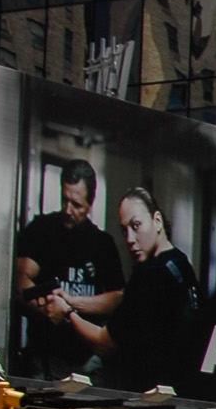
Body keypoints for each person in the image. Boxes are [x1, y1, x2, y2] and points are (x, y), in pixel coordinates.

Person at [48, 186, 200, 391]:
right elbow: (125, 298)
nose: (129, 239)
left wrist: (67, 312)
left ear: (157, 221)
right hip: (176, 390)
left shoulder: (150, 273)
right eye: (124, 229)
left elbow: (104, 343)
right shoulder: (179, 263)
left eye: (136, 225)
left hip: (147, 394)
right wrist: (73, 301)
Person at [11, 157, 127, 379]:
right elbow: (21, 283)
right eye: (65, 200)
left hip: (86, 362)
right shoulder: (40, 230)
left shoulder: (103, 244)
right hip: (42, 359)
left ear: (90, 204)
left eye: (76, 205)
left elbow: (118, 298)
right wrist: (48, 308)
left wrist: (71, 306)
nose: (68, 210)